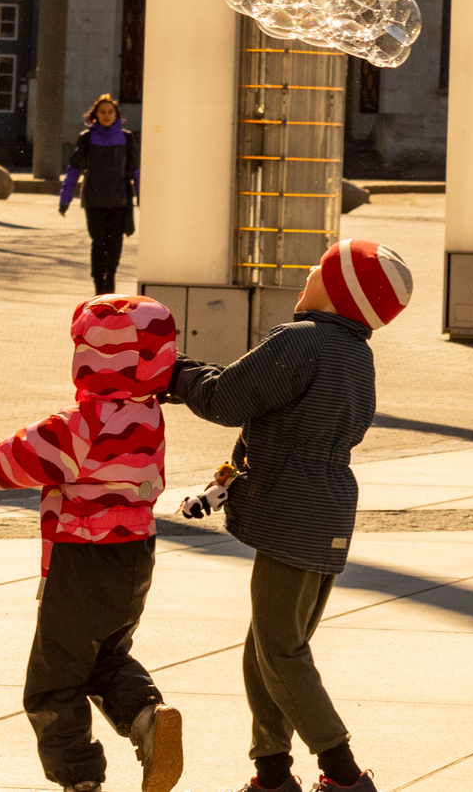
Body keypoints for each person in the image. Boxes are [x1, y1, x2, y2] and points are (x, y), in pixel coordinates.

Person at [164, 240, 414, 792]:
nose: (307, 272)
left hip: (292, 512)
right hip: (326, 512)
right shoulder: (354, 352)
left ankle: (345, 774)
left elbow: (225, 399)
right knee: (268, 646)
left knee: (280, 648)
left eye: (320, 269)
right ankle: (271, 774)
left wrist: (170, 372)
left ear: (339, 289)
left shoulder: (304, 341)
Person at [0, 295, 184, 792]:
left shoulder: (79, 425)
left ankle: (80, 779)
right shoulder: (150, 416)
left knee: (53, 680)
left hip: (82, 559)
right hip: (134, 555)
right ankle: (147, 715)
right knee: (104, 656)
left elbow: (14, 459)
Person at [62, 94, 138, 296]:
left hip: (119, 201)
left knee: (115, 245)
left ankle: (110, 280)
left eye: (110, 112)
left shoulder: (127, 138)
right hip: (94, 201)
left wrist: (142, 196)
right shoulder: (87, 138)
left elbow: (136, 170)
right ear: (95, 114)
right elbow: (73, 170)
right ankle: (99, 286)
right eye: (102, 112)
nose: (106, 115)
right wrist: (65, 199)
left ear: (117, 115)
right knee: (99, 243)